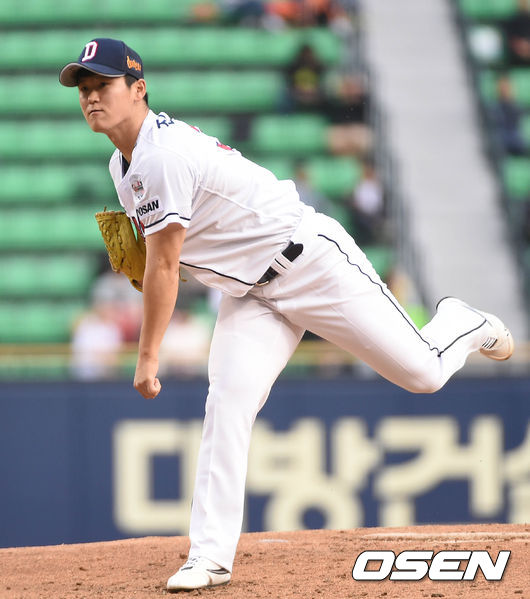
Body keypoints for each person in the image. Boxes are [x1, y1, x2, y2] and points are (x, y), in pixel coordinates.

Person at [59, 38, 514, 592]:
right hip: (250, 293)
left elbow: (164, 266)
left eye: (103, 85)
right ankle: (210, 556)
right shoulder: (123, 162)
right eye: (84, 88)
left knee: (424, 374)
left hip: (310, 262)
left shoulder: (162, 156)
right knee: (227, 403)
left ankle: (462, 321)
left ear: (138, 89)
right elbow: (174, 255)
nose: (91, 97)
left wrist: (147, 356)